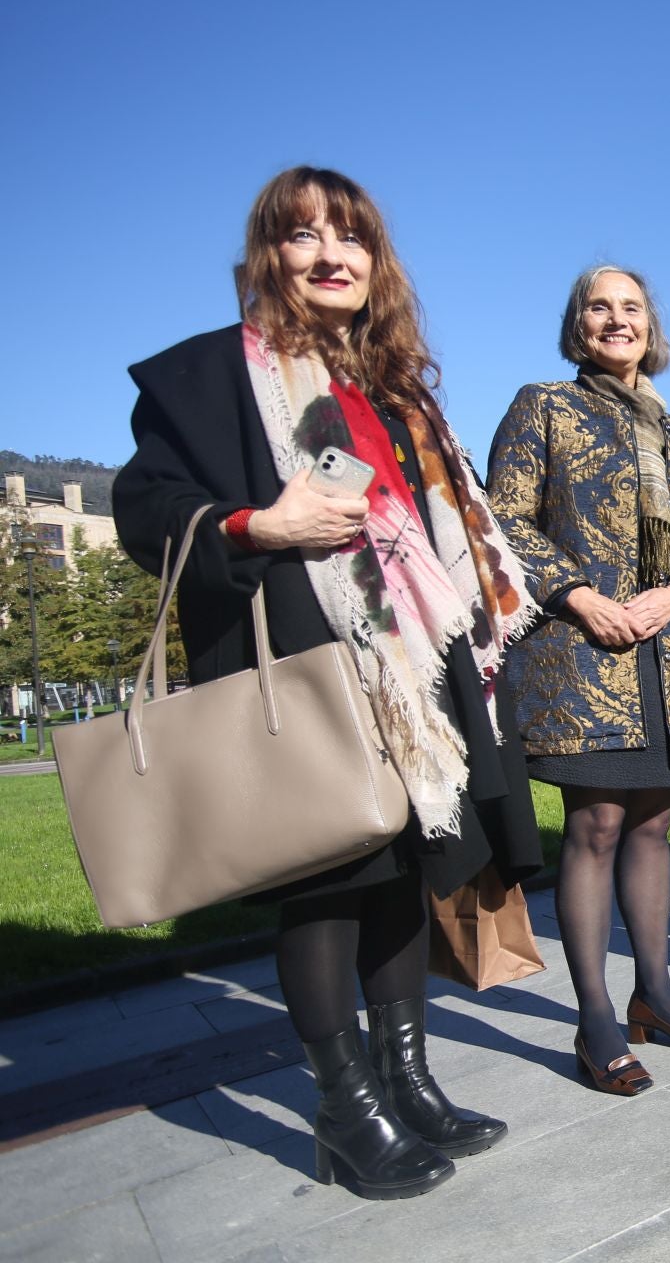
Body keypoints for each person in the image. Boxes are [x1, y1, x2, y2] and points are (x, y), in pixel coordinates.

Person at [112, 167, 543, 1199]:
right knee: (325, 878)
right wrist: (258, 524)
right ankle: (346, 1111)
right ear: (270, 256)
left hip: (415, 664)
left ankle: (408, 1082)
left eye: (349, 236)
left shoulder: (392, 389)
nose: (329, 254)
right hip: (307, 654)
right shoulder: (212, 373)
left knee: (403, 869)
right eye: (302, 236)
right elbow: (143, 502)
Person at [487, 266, 670, 1095]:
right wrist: (583, 598)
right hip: (583, 654)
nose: (617, 319)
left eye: (632, 308)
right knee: (593, 826)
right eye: (601, 306)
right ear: (577, 324)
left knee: (653, 828)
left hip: (669, 655)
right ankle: (594, 1021)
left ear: (650, 328)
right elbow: (504, 519)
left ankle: (655, 996)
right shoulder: (543, 407)